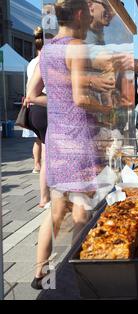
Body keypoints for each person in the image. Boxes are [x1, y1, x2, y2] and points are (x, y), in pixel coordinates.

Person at [25, 0, 138, 290]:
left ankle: (40, 274)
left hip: (57, 138)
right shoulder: (77, 46)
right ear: (81, 14)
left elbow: (33, 94)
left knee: (56, 210)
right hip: (79, 139)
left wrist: (69, 96)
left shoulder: (48, 49)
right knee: (81, 211)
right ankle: (80, 276)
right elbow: (81, 98)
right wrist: (109, 104)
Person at [26, 26, 51, 209]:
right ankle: (46, 197)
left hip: (35, 110)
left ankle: (44, 198)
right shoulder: (46, 60)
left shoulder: (32, 62)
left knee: (45, 155)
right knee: (49, 156)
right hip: (45, 107)